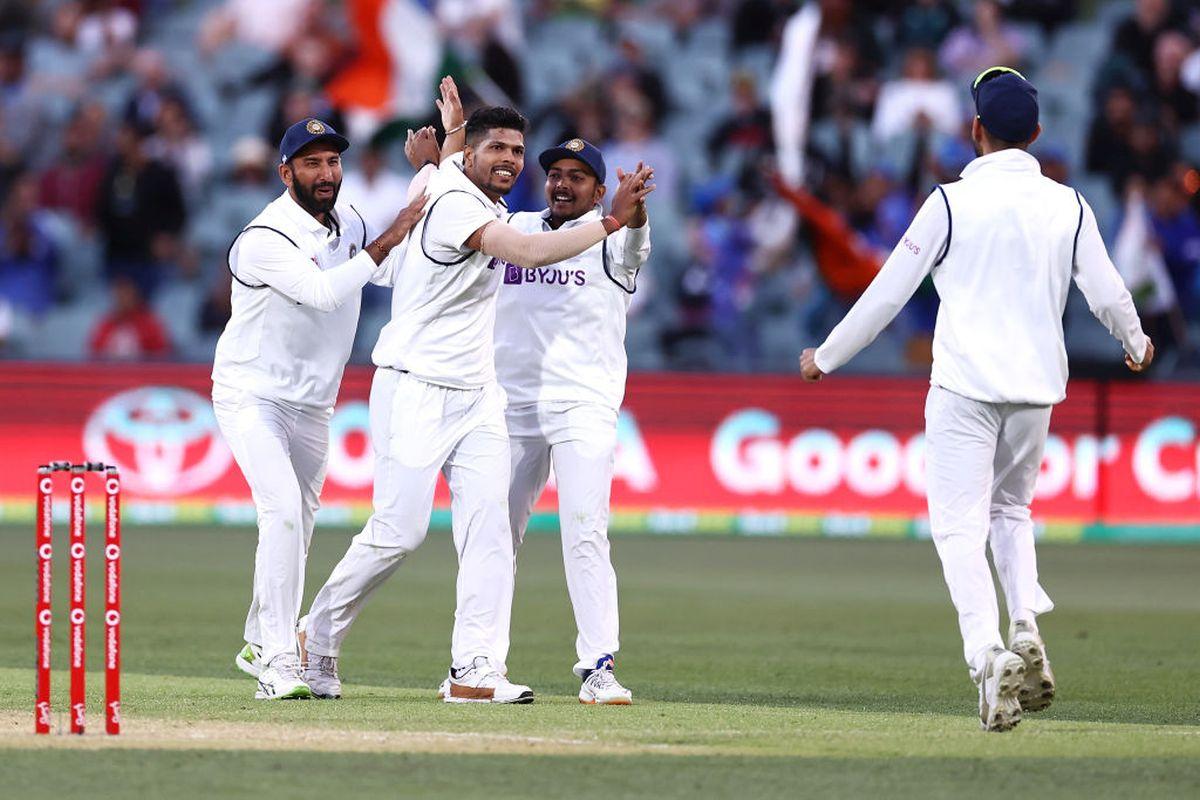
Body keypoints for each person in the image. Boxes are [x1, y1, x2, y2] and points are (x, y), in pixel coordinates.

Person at [798, 67, 1153, 732]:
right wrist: (1134, 339)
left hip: (964, 389)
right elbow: (1105, 291)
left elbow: (887, 291)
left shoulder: (949, 202)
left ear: (975, 130)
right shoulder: (1067, 204)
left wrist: (829, 356)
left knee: (958, 527)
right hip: (1035, 393)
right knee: (1012, 511)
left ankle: (987, 655)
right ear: (1038, 136)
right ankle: (1026, 630)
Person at [299, 90, 654, 704]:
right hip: (414, 385)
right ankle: (316, 634)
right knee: (398, 532)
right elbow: (526, 251)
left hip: (481, 395)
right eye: (499, 148)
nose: (512, 160)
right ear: (473, 155)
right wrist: (611, 219)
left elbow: (469, 188)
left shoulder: (467, 192)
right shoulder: (462, 205)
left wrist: (454, 139)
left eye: (517, 150)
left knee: (490, 531)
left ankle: (475, 668)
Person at [213, 114, 428, 701]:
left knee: (298, 526)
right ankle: (279, 662)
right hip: (252, 395)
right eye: (312, 163)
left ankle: (261, 635)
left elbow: (386, 272)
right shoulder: (264, 239)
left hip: (314, 404)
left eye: (333, 161)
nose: (327, 172)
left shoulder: (350, 220)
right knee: (280, 513)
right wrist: (395, 232)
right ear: (286, 172)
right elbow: (325, 290)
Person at [486, 139, 651, 705]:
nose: (561, 184)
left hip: (582, 404)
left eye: (577, 177)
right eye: (554, 173)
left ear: (600, 191)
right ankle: (479, 661)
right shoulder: (516, 227)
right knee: (492, 535)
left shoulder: (615, 240)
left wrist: (633, 215)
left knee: (584, 530)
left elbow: (632, 244)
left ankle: (598, 667)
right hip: (510, 405)